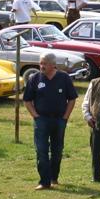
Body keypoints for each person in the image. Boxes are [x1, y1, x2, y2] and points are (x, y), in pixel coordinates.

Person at [23, 52, 78, 190]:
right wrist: (35, 116)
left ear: (53, 65)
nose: (42, 66)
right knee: (41, 150)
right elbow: (27, 100)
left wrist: (65, 117)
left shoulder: (64, 78)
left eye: (45, 63)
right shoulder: (35, 78)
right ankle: (44, 181)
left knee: (57, 150)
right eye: (41, 63)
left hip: (59, 119)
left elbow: (72, 98)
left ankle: (54, 177)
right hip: (41, 119)